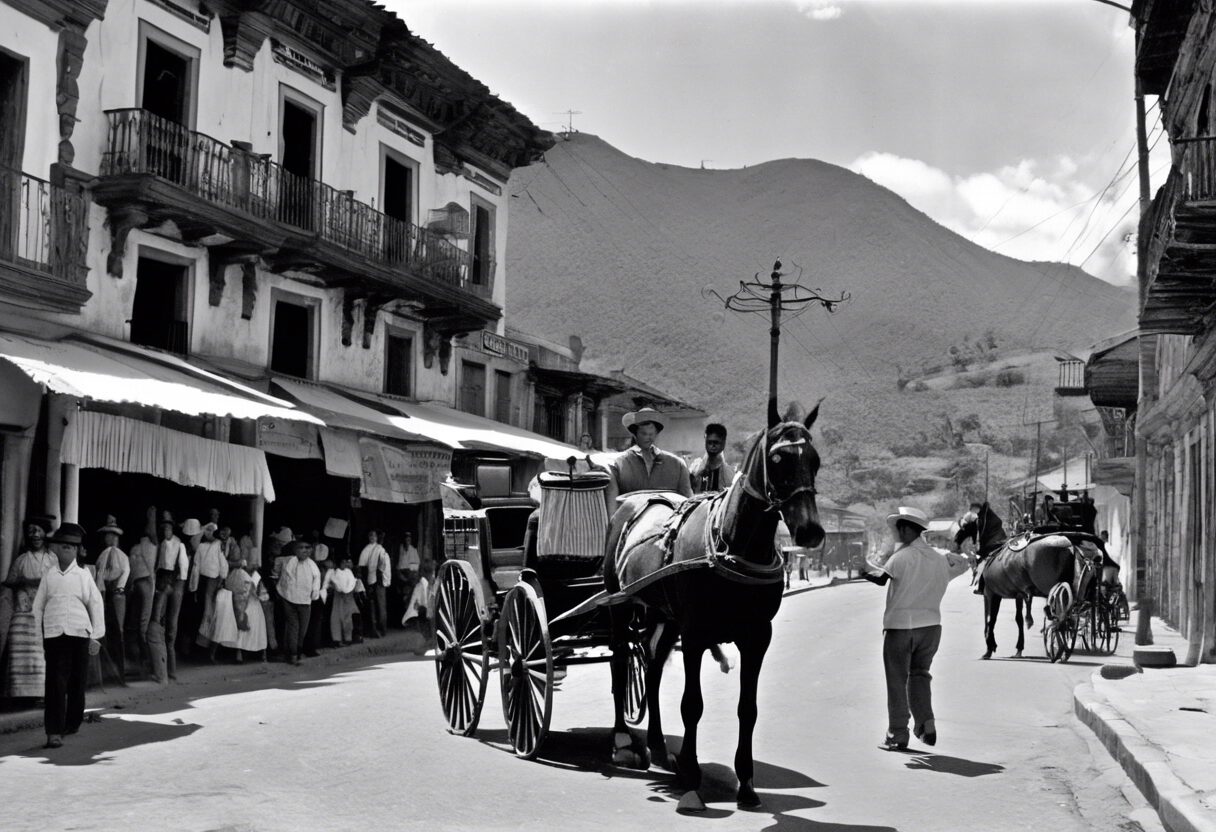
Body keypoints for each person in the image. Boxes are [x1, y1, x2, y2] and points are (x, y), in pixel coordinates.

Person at [862, 506, 971, 751]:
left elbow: (881, 579)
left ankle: (898, 733)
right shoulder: (937, 558)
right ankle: (926, 722)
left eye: (898, 529)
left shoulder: (901, 557)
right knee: (920, 675)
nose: (896, 534)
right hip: (931, 628)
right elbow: (960, 567)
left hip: (901, 628)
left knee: (897, 681)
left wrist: (862, 571)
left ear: (906, 529)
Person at [32, 522, 105, 749]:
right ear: (56, 549)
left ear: (76, 550)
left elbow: (95, 603)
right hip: (54, 633)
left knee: (77, 680)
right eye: (62, 546)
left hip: (79, 632)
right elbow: (38, 607)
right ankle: (53, 731)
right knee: (55, 681)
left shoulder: (83, 575)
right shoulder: (49, 576)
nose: (66, 550)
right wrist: (37, 635)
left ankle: (72, 722)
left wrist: (96, 635)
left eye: (71, 547)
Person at [3, 516, 58, 700]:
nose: (35, 535)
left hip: (46, 612)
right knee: (23, 652)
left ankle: (43, 693)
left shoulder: (52, 559)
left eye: (39, 530)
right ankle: (22, 694)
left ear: (45, 533)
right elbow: (8, 583)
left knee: (44, 654)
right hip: (24, 612)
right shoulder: (21, 560)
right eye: (31, 531)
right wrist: (23, 583)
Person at [603, 408, 693, 510]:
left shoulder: (677, 464)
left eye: (651, 434)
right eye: (643, 433)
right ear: (635, 434)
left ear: (656, 434)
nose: (648, 438)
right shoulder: (619, 464)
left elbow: (689, 502)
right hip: (631, 521)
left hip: (669, 521)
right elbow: (612, 508)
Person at [150, 513, 189, 680]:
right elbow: (157, 566)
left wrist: (171, 585)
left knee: (171, 626)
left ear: (172, 528)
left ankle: (171, 669)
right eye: (164, 527)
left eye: (168, 527)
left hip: (174, 582)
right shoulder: (161, 545)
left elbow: (183, 569)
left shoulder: (179, 544)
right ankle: (162, 668)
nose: (166, 530)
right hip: (162, 581)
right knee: (158, 622)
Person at [93, 517, 130, 683]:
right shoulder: (114, 555)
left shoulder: (112, 554)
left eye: (113, 535)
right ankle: (117, 673)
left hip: (112, 596)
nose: (111, 538)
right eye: (109, 535)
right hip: (116, 595)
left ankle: (117, 673)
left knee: (112, 633)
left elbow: (103, 579)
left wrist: (104, 595)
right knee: (114, 633)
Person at [209, 560, 268, 663]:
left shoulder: (256, 576)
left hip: (251, 603)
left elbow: (261, 594)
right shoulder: (238, 573)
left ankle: (261, 654)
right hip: (240, 603)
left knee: (255, 629)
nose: (254, 565)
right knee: (240, 628)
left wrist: (258, 591)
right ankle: (240, 653)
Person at [273, 539, 320, 665]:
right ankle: (293, 654)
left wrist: (314, 593)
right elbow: (282, 579)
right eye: (301, 548)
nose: (305, 550)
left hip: (305, 601)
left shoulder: (312, 565)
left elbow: (316, 580)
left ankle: (297, 650)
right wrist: (282, 594)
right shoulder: (289, 562)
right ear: (295, 550)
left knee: (302, 629)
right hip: (289, 599)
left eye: (307, 547)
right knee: (293, 627)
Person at [189, 523, 229, 649]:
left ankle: (203, 645)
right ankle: (200, 645)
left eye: (212, 531)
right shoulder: (204, 545)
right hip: (204, 581)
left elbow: (222, 565)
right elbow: (197, 565)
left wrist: (221, 578)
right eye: (208, 531)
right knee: (205, 610)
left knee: (208, 611)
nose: (210, 533)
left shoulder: (217, 544)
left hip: (210, 581)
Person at [125, 530, 157, 676]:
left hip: (137, 583)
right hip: (146, 582)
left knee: (135, 623)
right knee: (143, 624)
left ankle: (140, 660)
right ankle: (146, 661)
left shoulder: (135, 549)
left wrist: (128, 587)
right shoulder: (149, 547)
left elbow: (131, 570)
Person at [357, 530, 391, 638]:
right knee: (371, 606)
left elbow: (384, 565)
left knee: (381, 606)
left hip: (379, 580)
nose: (372, 537)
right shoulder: (366, 550)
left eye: (374, 535)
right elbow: (362, 565)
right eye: (370, 535)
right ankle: (374, 629)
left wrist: (381, 577)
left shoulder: (381, 549)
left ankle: (383, 629)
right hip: (370, 580)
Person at [688, 423, 736, 494]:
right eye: (709, 442)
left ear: (723, 443)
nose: (712, 446)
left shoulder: (732, 472)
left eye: (716, 443)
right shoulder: (695, 469)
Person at [321, 556, 359, 645]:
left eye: (345, 562)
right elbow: (325, 584)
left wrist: (348, 590)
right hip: (337, 597)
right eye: (343, 562)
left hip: (348, 596)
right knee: (336, 617)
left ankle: (348, 638)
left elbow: (352, 583)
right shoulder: (331, 572)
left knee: (348, 617)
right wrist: (329, 588)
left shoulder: (348, 572)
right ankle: (336, 639)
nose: (345, 564)